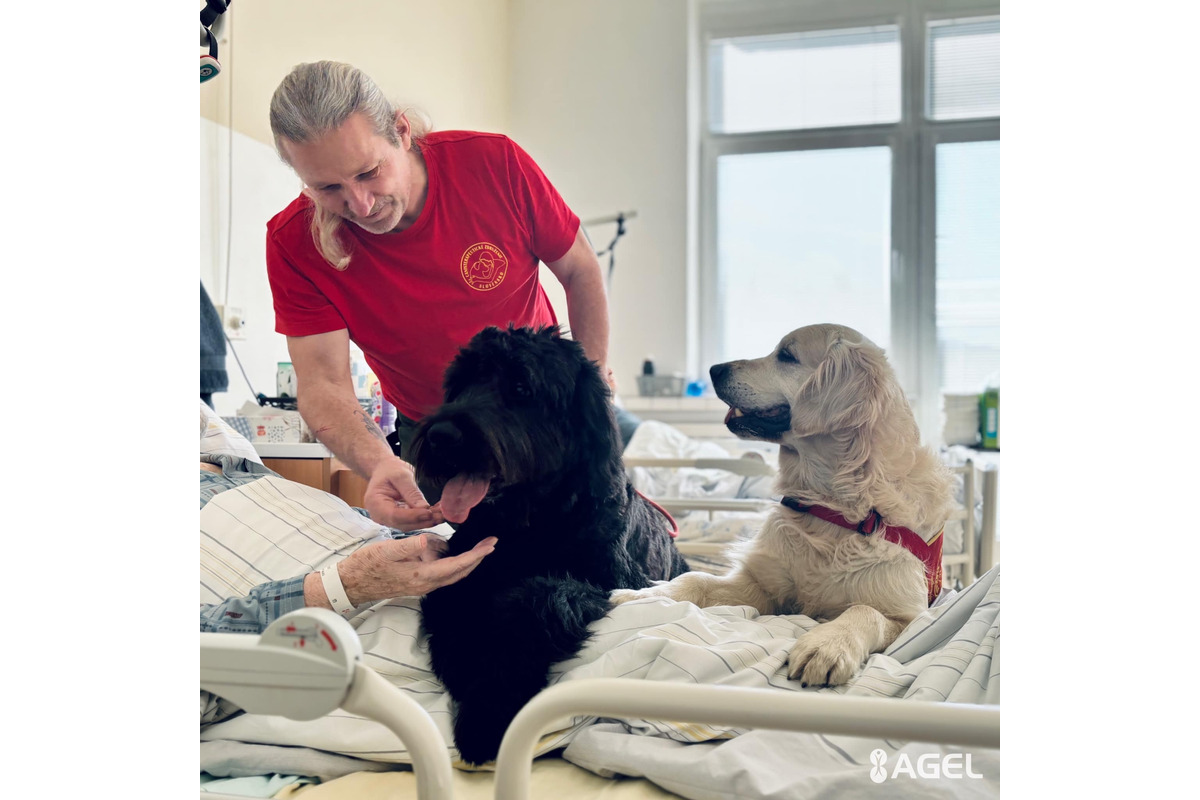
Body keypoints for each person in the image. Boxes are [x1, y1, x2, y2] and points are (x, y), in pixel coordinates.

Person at [263, 60, 627, 533]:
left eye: (370, 172)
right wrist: (379, 465)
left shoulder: (493, 164)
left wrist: (590, 384)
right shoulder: (293, 243)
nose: (360, 205)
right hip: (437, 434)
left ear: (401, 130)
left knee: (591, 552)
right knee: (471, 574)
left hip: (536, 417)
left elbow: (579, 269)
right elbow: (323, 386)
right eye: (328, 188)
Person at [199, 440, 496, 635]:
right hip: (356, 619)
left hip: (430, 561)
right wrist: (343, 586)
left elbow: (316, 519)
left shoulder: (236, 463)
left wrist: (396, 524)